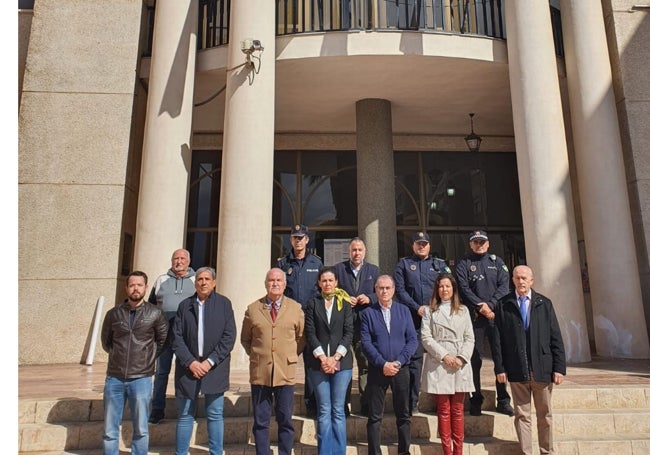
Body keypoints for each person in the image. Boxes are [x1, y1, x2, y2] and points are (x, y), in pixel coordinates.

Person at [492, 265, 566, 455]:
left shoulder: (544, 303)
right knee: (522, 415)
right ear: (513, 281)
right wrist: (500, 368)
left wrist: (559, 367)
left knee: (545, 415)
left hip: (542, 369)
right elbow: (497, 341)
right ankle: (526, 452)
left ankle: (546, 451)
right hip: (517, 369)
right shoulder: (503, 304)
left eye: (524, 278)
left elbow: (555, 336)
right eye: (517, 278)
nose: (521, 281)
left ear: (532, 281)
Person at [100, 271, 168, 455]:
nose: (135, 288)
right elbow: (106, 342)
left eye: (139, 285)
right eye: (132, 285)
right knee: (109, 429)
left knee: (141, 428)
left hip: (141, 378)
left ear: (146, 288)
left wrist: (146, 358)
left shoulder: (155, 314)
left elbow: (162, 341)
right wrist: (117, 357)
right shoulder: (113, 314)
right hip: (115, 378)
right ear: (126, 288)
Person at [241, 268, 305, 455]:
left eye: (278, 280)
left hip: (285, 372)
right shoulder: (253, 309)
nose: (275, 283)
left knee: (285, 419)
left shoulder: (295, 308)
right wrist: (259, 355)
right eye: (271, 280)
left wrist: (289, 355)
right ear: (265, 284)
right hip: (261, 373)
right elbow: (246, 339)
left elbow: (301, 338)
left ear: (285, 284)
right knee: (261, 421)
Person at [172, 267, 236, 455]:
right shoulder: (185, 306)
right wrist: (191, 362)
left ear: (214, 283)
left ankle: (216, 452)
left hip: (215, 368)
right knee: (184, 416)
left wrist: (209, 362)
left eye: (207, 279)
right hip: (188, 369)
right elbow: (176, 338)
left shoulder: (224, 304)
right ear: (195, 282)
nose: (203, 282)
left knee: (215, 415)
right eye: (200, 279)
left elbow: (229, 336)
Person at [455, 230, 514, 416]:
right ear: (471, 244)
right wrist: (481, 307)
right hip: (475, 318)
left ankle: (503, 399)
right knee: (475, 360)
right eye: (475, 242)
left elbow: (504, 287)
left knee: (500, 358)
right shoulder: (464, 263)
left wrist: (490, 305)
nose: (479, 244)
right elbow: (463, 288)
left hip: (496, 317)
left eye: (482, 242)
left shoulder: (497, 263)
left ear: (488, 244)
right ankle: (475, 399)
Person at [394, 231, 451, 415]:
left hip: (437, 318)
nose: (421, 246)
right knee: (415, 362)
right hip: (413, 319)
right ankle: (412, 403)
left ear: (429, 246)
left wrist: (436, 307)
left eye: (424, 243)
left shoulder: (440, 265)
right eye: (418, 243)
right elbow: (400, 290)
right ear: (413, 245)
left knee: (441, 358)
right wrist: (416, 307)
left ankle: (441, 402)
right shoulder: (404, 264)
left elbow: (448, 288)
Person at [361, 275, 418, 455]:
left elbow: (412, 340)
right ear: (375, 290)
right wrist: (382, 363)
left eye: (388, 288)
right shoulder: (368, 313)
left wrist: (399, 361)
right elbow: (366, 343)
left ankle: (404, 452)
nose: (384, 291)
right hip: (378, 370)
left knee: (403, 415)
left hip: (401, 369)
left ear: (393, 290)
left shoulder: (404, 311)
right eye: (380, 288)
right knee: (375, 416)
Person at [421, 273, 475, 455]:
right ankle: (447, 451)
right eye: (441, 286)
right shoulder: (429, 311)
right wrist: (444, 356)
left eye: (448, 286)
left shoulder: (464, 310)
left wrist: (461, 358)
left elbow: (470, 338)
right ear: (436, 289)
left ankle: (458, 451)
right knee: (443, 409)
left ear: (453, 289)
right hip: (440, 364)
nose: (444, 290)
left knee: (458, 410)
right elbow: (426, 338)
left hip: (460, 364)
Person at [304, 266, 354, 454]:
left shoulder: (344, 303)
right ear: (319, 283)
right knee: (324, 411)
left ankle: (339, 452)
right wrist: (324, 358)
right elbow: (310, 332)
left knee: (338, 411)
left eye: (330, 280)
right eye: (324, 280)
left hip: (342, 363)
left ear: (336, 283)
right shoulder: (312, 304)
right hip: (318, 364)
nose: (327, 284)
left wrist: (335, 357)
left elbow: (349, 332)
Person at [277, 224, 322, 417]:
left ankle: (311, 405)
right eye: (294, 237)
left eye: (301, 237)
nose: (298, 240)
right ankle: (282, 404)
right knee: (285, 362)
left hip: (311, 320)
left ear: (307, 240)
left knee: (312, 364)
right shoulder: (282, 264)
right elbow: (278, 292)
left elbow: (322, 291)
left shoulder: (316, 263)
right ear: (291, 240)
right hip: (289, 322)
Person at [148, 248, 196, 424]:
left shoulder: (196, 280)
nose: (179, 261)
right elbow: (151, 306)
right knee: (161, 372)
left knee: (186, 372)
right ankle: (157, 409)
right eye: (176, 258)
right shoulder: (161, 280)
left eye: (183, 258)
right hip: (164, 334)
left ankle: (186, 410)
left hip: (186, 335)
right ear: (171, 261)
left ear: (189, 261)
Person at [333, 237, 380, 416]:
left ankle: (366, 404)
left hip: (365, 325)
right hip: (344, 325)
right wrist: (344, 298)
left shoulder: (373, 270)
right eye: (354, 250)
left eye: (360, 250)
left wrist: (370, 298)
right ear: (349, 251)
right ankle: (342, 406)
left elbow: (381, 291)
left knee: (365, 365)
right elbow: (332, 291)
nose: (357, 253)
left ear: (365, 252)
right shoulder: (339, 269)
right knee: (344, 365)